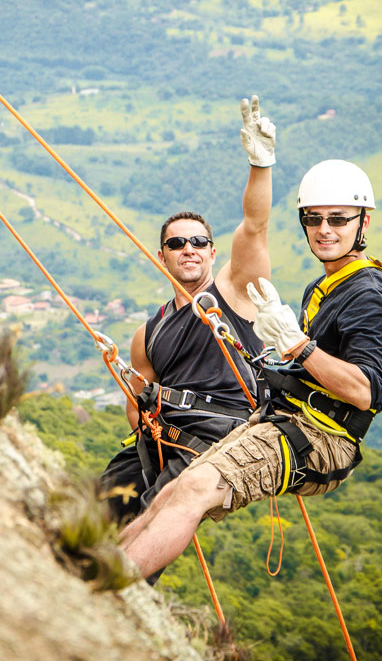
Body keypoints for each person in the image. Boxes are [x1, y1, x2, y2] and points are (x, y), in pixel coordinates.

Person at [118, 159, 382, 578]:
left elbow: (363, 391)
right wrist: (290, 354)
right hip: (288, 420)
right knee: (175, 490)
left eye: (338, 219)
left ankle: (113, 586)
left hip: (321, 437)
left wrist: (299, 345)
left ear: (362, 223)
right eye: (313, 219)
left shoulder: (370, 293)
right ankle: (103, 572)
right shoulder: (327, 286)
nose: (324, 229)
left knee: (196, 489)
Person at [100, 95, 275, 524]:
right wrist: (148, 430)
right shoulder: (148, 334)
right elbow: (138, 400)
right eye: (177, 243)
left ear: (213, 253)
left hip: (221, 438)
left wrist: (261, 164)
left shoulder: (234, 293)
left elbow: (254, 227)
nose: (188, 249)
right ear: (162, 256)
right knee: (99, 505)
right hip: (166, 439)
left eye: (198, 242)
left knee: (153, 519)